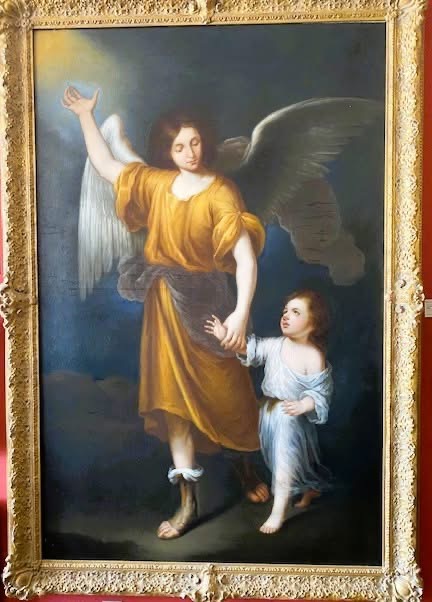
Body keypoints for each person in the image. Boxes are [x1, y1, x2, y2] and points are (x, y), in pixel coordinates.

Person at [62, 86, 269, 540]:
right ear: (166, 150)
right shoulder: (154, 184)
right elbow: (106, 165)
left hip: (210, 304)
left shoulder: (221, 191)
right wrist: (85, 115)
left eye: (194, 142)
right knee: (173, 404)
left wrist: (239, 314)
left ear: (204, 142)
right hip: (165, 310)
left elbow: (245, 259)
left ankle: (245, 468)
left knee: (231, 398)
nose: (189, 152)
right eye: (178, 146)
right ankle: (188, 503)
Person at [205, 289, 333, 534]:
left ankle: (278, 513)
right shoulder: (275, 346)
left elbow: (320, 393)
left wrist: (304, 405)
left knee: (285, 466)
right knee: (287, 463)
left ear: (313, 323)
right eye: (285, 311)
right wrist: (224, 336)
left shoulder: (313, 356)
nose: (285, 316)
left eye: (295, 312)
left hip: (290, 417)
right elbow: (247, 349)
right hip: (269, 414)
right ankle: (311, 489)